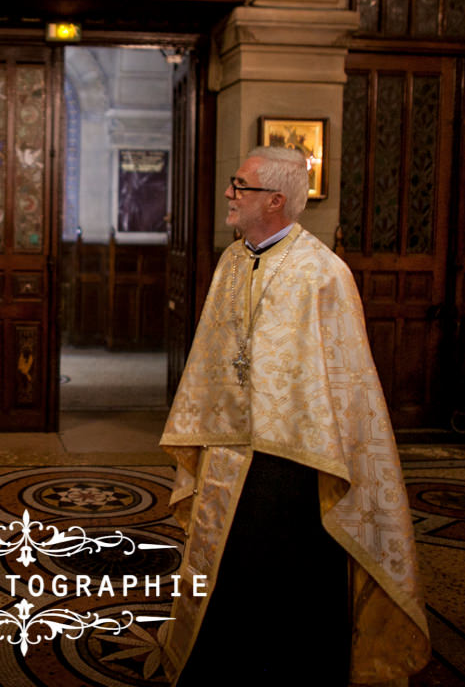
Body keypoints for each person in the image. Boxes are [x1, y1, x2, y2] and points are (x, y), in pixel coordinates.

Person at [159, 147, 430, 684]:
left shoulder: (323, 273)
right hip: (228, 449)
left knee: (291, 574)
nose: (230, 195)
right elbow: (214, 353)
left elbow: (347, 378)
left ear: (275, 200)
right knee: (229, 572)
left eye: (241, 186)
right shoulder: (232, 260)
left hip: (297, 461)